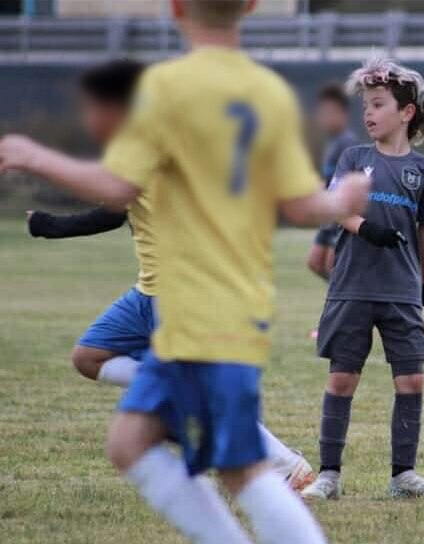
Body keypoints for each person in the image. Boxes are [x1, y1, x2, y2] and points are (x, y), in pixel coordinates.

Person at [0, 1, 371, 542]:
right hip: (221, 304)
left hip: (200, 309)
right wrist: (342, 200)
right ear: (250, 7)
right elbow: (299, 205)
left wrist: (34, 155)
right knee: (132, 442)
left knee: (238, 465)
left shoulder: (165, 89)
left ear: (174, 9)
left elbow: (115, 190)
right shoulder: (266, 92)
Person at [26, 58, 316, 492]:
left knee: (205, 400)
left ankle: (288, 465)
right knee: (88, 357)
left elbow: (107, 203)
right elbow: (116, 211)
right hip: (145, 295)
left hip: (179, 296)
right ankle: (170, 393)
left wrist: (45, 215)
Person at [300, 57, 424, 501]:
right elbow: (337, 209)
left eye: (378, 104)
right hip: (351, 287)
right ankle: (328, 475)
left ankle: (404, 476)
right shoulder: (353, 157)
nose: (368, 113)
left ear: (406, 113)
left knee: (411, 381)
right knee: (343, 378)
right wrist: (366, 228)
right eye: (365, 105)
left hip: (401, 291)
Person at [306, 82, 359, 281]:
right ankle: (341, 298)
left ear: (343, 114)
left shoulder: (348, 142)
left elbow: (350, 181)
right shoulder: (333, 142)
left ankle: (346, 302)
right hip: (328, 212)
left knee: (332, 264)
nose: (324, 118)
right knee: (314, 262)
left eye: (329, 113)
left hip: (340, 214)